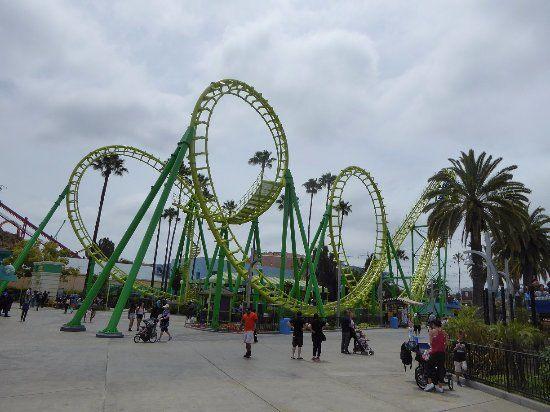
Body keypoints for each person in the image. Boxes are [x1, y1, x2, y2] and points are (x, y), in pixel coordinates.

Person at [424, 318, 447, 393]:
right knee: (441, 368)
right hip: (442, 353)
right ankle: (440, 387)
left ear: (433, 324)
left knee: (428, 365)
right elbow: (446, 343)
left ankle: (430, 383)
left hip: (434, 352)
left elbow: (430, 343)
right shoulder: (444, 332)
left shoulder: (432, 332)